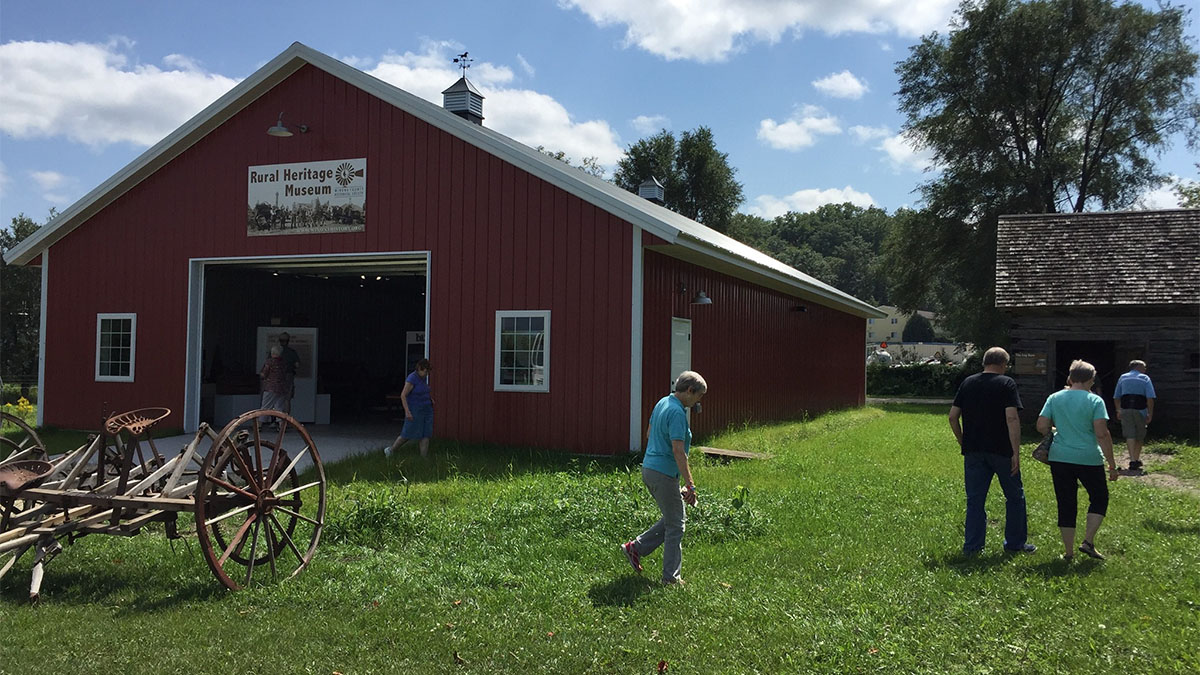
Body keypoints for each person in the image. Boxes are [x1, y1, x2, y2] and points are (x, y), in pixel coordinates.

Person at [621, 371, 707, 586]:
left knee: (673, 518)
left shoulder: (662, 402)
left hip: (650, 468)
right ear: (689, 391)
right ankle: (671, 578)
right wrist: (690, 485)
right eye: (699, 396)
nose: (698, 401)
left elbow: (650, 434)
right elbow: (679, 451)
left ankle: (636, 548)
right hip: (663, 473)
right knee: (676, 524)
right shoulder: (677, 413)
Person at [948, 347, 1035, 556]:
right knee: (1014, 497)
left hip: (974, 450)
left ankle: (973, 546)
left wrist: (962, 440)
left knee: (975, 500)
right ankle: (1015, 544)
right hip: (1002, 449)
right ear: (1004, 364)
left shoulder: (968, 383)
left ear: (984, 362)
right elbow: (1012, 418)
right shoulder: (1006, 384)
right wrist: (1016, 451)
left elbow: (952, 416)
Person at [1038, 360, 1119, 560]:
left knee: (1066, 502)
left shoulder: (1054, 398)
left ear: (1071, 377)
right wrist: (1111, 463)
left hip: (1060, 457)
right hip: (1088, 458)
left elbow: (1041, 425)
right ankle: (1088, 541)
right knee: (1099, 498)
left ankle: (1068, 552)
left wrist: (1054, 431)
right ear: (1091, 379)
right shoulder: (1095, 401)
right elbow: (1101, 434)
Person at [1113, 360, 1155, 472]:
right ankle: (1136, 459)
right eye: (1144, 367)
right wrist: (1150, 413)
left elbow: (1116, 396)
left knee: (1129, 434)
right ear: (1138, 367)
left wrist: (1118, 410)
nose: (1145, 369)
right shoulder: (1145, 378)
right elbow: (1150, 398)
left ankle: (1132, 459)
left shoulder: (1123, 377)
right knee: (1140, 434)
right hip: (1140, 409)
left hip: (1125, 409)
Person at [387, 359, 434, 458]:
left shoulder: (423, 379)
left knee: (425, 434)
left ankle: (423, 458)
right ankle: (391, 450)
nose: (427, 374)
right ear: (420, 369)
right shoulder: (412, 378)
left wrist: (430, 399)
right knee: (407, 433)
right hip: (415, 409)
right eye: (425, 371)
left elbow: (424, 391)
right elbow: (403, 395)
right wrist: (407, 412)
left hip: (427, 408)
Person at [258, 345, 289, 422]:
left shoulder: (269, 362)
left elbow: (264, 374)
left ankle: (259, 425)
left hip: (270, 387)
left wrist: (261, 375)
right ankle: (281, 425)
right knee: (280, 408)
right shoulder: (284, 363)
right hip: (282, 388)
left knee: (265, 407)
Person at [277, 332, 301, 414]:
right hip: (288, 376)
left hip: (277, 378)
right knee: (287, 399)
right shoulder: (292, 352)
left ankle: (275, 421)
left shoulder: (275, 351)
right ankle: (285, 422)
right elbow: (297, 365)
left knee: (276, 399)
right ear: (288, 341)